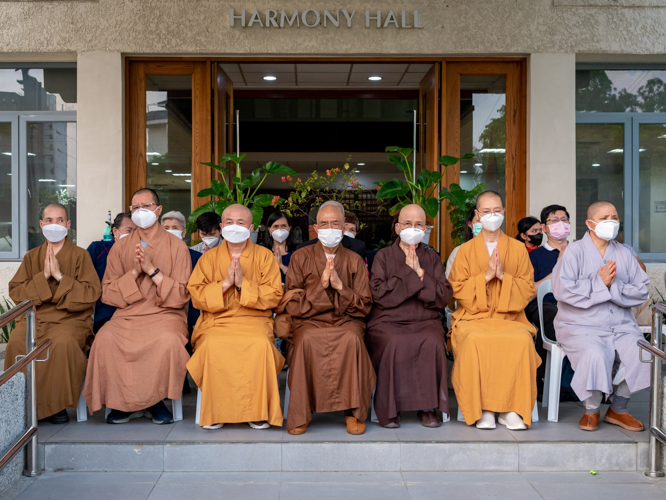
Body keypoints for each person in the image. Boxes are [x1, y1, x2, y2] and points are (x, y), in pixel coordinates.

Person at [83, 188, 192, 425]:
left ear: (158, 209)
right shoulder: (120, 248)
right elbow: (109, 292)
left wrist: (152, 270)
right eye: (135, 207)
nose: (140, 211)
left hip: (165, 314)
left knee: (167, 340)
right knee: (106, 339)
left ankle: (154, 401)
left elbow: (183, 293)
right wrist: (134, 272)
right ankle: (123, 402)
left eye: (146, 205)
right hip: (128, 314)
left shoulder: (177, 247)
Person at [277, 200, 375, 435]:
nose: (329, 228)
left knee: (352, 340)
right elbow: (291, 302)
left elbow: (364, 306)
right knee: (306, 341)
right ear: (316, 228)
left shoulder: (354, 260)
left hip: (345, 321)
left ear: (344, 228)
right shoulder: (300, 257)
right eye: (323, 223)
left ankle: (353, 411)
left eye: (334, 223)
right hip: (308, 321)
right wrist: (321, 286)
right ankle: (301, 413)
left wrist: (341, 287)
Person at [552, 200, 650, 432]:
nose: (611, 222)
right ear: (590, 223)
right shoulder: (573, 252)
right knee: (594, 354)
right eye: (605, 217)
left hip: (620, 324)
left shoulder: (624, 253)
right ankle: (592, 410)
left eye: (614, 218)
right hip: (580, 325)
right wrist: (600, 284)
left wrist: (610, 287)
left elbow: (641, 289)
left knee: (643, 354)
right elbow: (562, 290)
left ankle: (618, 408)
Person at [187, 204, 284, 430]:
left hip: (254, 321)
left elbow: (275, 296)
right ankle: (216, 411)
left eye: (241, 223)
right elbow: (196, 296)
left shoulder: (264, 256)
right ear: (221, 227)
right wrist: (225, 285)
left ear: (251, 228)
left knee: (260, 345)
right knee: (212, 345)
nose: (235, 227)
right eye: (229, 222)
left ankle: (258, 411)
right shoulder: (208, 258)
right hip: (216, 321)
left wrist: (242, 284)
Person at [449, 191, 540, 430]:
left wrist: (503, 277)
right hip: (473, 317)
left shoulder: (518, 250)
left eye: (497, 211)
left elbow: (528, 288)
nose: (492, 216)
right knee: (475, 339)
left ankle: (511, 409)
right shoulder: (465, 251)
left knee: (520, 339)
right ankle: (484, 409)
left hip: (510, 317)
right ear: (477, 215)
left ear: (504, 213)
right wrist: (486, 277)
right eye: (486, 211)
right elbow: (457, 289)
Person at [5, 203, 101, 424]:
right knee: (17, 343)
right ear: (41, 225)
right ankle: (18, 405)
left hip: (71, 320)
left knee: (62, 344)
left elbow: (91, 293)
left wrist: (59, 277)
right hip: (36, 318)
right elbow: (17, 292)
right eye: (49, 220)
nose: (54, 225)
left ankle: (55, 407)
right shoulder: (31, 257)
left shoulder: (80, 255)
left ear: (68, 225)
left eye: (60, 220)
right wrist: (43, 277)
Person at [366, 204, 453, 428]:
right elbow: (378, 294)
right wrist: (409, 272)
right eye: (407, 224)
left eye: (418, 224)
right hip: (388, 320)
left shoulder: (432, 257)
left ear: (425, 228)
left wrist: (422, 274)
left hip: (424, 320)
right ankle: (390, 409)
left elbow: (443, 295)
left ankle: (427, 408)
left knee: (432, 342)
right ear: (397, 228)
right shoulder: (383, 256)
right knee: (394, 343)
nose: (412, 228)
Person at [523, 204, 570, 395]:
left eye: (564, 219)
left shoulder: (580, 252)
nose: (561, 224)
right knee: (554, 316)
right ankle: (550, 379)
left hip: (576, 304)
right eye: (554, 220)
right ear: (544, 227)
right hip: (545, 305)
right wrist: (557, 270)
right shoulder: (533, 257)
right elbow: (527, 293)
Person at [160, 210, 202, 394]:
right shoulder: (152, 256)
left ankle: (181, 378)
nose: (170, 231)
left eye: (175, 228)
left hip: (191, 308)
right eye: (166, 228)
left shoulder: (195, 257)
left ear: (184, 232)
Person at [87, 213, 136, 333]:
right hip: (104, 308)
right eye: (129, 230)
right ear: (115, 230)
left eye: (137, 231)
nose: (133, 235)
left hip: (134, 308)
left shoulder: (140, 252)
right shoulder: (98, 248)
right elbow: (84, 278)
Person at [298, 208, 367, 260]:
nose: (330, 228)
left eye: (335, 224)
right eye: (324, 224)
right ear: (316, 228)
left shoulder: (357, 248)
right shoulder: (303, 250)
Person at [260, 210, 297, 284]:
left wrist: (282, 266)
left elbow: (298, 280)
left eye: (283, 226)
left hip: (289, 293)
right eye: (276, 226)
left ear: (289, 229)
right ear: (270, 230)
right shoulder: (261, 251)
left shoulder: (297, 253)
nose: (280, 230)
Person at [445, 207, 480, 279]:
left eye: (486, 221)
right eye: (479, 221)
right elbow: (451, 285)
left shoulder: (502, 249)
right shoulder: (459, 252)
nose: (483, 224)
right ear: (469, 223)